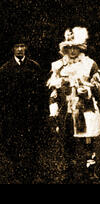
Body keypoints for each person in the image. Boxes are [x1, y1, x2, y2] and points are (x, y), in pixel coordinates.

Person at [47, 27, 100, 183]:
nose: (72, 51)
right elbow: (53, 91)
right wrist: (53, 110)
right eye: (69, 47)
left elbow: (98, 87)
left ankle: (90, 171)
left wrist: (88, 92)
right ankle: (69, 171)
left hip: (85, 110)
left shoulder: (90, 64)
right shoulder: (58, 66)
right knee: (68, 144)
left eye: (75, 47)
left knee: (87, 143)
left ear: (80, 47)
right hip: (67, 111)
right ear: (65, 48)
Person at [0, 35, 47, 184]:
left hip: (31, 114)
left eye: (22, 46)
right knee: (14, 145)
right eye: (16, 46)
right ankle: (17, 173)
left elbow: (41, 94)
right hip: (13, 115)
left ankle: (31, 173)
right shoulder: (5, 69)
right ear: (12, 49)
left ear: (26, 48)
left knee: (31, 144)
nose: (20, 49)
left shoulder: (34, 66)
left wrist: (40, 113)